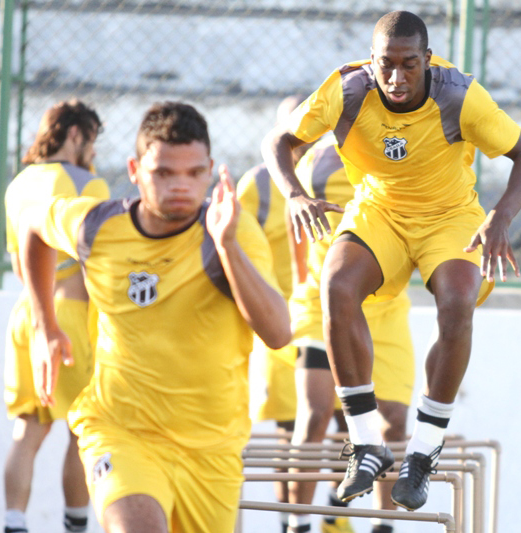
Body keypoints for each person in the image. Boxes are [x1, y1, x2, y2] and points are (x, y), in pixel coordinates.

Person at [262, 10, 521, 511]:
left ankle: (425, 446)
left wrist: (500, 216)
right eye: (385, 64)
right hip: (379, 213)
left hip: (449, 216)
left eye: (408, 64)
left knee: (457, 301)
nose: (395, 77)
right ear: (371, 61)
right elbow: (279, 141)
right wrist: (294, 193)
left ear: (427, 60)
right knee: (336, 287)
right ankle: (366, 440)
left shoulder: (458, 95)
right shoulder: (347, 90)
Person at [19, 101, 291, 532]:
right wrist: (43, 325)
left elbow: (278, 333)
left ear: (210, 170)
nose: (180, 186)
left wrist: (227, 248)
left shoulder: (231, 230)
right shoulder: (98, 227)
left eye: (193, 173)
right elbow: (33, 225)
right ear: (134, 169)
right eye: (163, 173)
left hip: (211, 449)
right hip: (121, 431)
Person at [286, 136, 414, 533]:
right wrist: (300, 285)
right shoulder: (318, 160)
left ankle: (381, 526)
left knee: (393, 420)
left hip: (385, 304)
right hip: (325, 301)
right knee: (316, 412)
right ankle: (298, 525)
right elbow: (298, 230)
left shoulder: (409, 151)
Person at [3, 99, 108, 533]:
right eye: (92, 141)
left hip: (26, 313)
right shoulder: (87, 183)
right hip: (71, 314)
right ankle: (75, 527)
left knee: (27, 431)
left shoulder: (18, 184)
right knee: (83, 430)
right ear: (75, 135)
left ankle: (13, 523)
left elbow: (18, 257)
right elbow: (96, 259)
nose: (94, 153)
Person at [237, 95, 307, 533]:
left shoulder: (338, 171)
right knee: (290, 431)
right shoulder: (258, 184)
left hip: (325, 316)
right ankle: (291, 524)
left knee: (337, 428)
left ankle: (329, 519)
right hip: (279, 323)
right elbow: (237, 249)